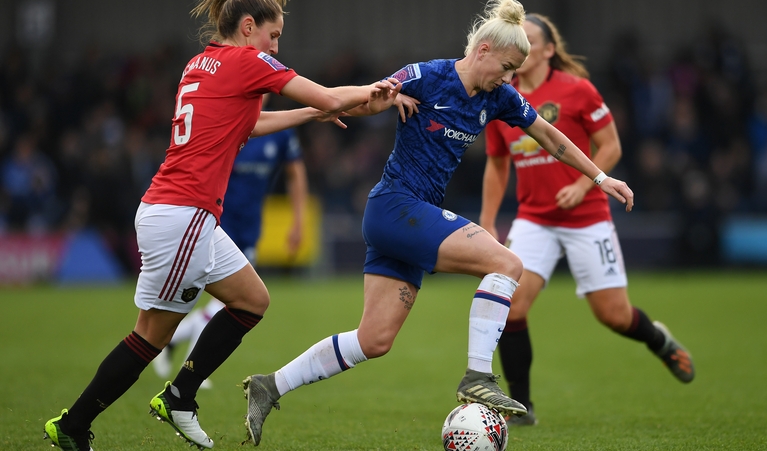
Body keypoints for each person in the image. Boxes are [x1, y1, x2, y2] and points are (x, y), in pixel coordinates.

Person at [240, 0, 635, 446]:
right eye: (505, 68)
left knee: (374, 339)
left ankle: (269, 386)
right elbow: (368, 104)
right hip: (396, 207)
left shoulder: (499, 97)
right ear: (483, 49)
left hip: (406, 221)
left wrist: (600, 177)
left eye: (513, 73)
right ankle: (478, 375)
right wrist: (385, 99)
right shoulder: (428, 75)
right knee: (506, 264)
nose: (508, 79)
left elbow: (549, 135)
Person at [42, 0, 411, 448]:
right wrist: (378, 91)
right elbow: (331, 97)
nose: (276, 47)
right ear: (249, 25)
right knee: (151, 337)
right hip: (185, 216)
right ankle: (74, 426)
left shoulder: (200, 63)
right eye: (273, 36)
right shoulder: (249, 60)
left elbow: (249, 124)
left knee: (252, 300)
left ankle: (179, 396)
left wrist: (318, 112)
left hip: (185, 214)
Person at [479, 13, 695, 426]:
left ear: (547, 50)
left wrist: (582, 187)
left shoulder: (577, 89)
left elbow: (610, 146)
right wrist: (489, 219)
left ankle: (659, 340)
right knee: (513, 307)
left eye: (529, 38)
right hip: (534, 218)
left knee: (614, 315)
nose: (520, 45)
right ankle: (522, 408)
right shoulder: (500, 95)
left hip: (587, 218)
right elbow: (497, 163)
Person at [151, 93, 309, 389]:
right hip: (217, 222)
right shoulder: (233, 124)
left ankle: (175, 343)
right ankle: (194, 369)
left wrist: (298, 221)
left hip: (250, 225)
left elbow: (296, 173)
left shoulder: (281, 130)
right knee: (232, 300)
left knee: (229, 300)